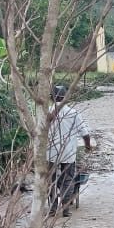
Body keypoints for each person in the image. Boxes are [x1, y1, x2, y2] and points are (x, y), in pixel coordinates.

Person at [47, 84, 92, 216]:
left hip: (50, 153)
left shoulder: (48, 113)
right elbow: (85, 133)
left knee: (51, 181)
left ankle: (53, 209)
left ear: (52, 98)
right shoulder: (73, 113)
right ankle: (65, 209)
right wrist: (88, 146)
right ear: (66, 98)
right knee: (68, 179)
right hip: (68, 152)